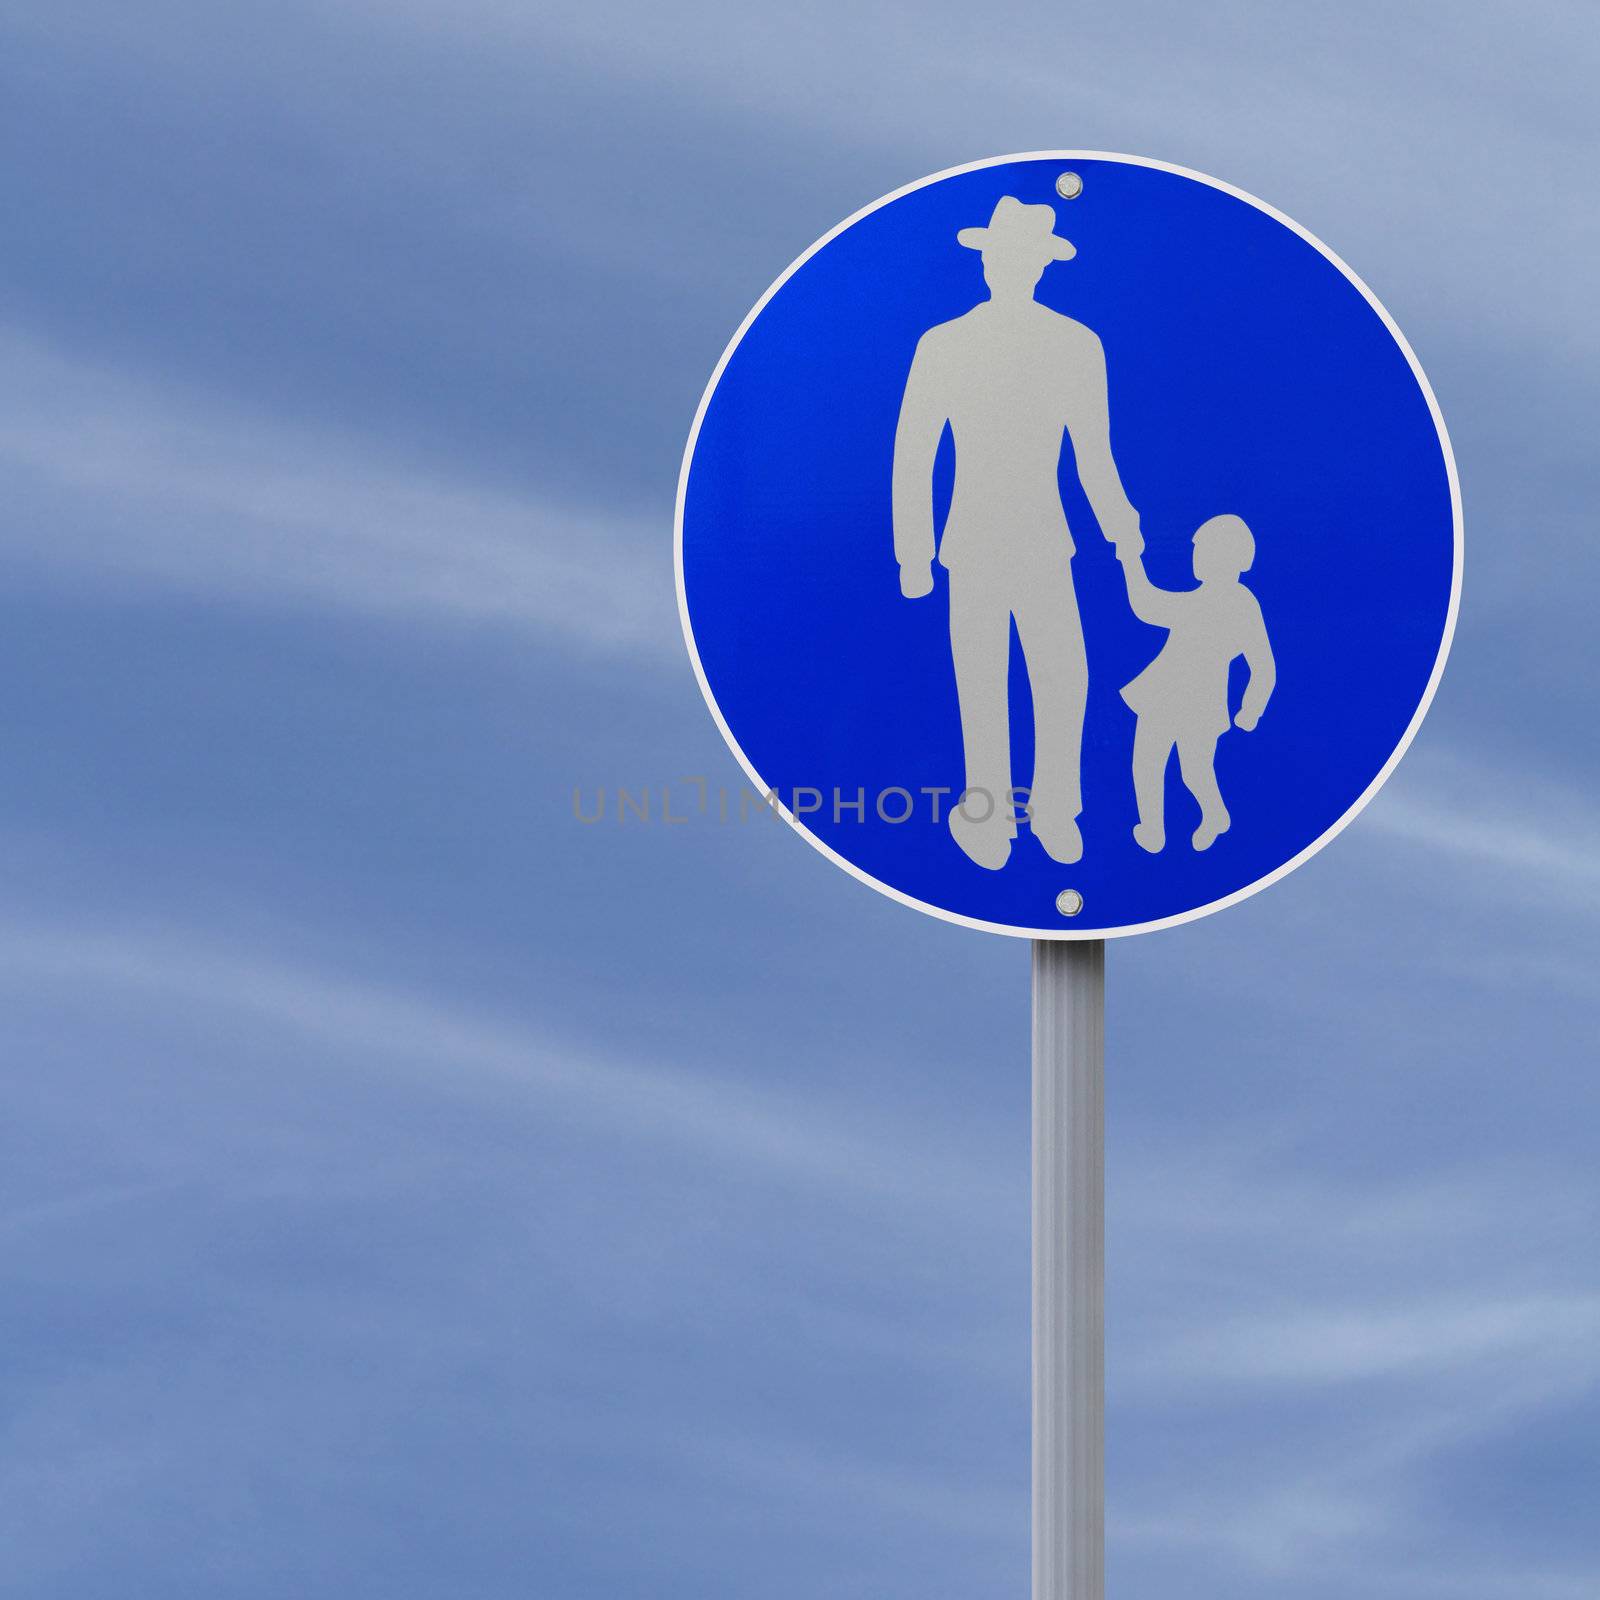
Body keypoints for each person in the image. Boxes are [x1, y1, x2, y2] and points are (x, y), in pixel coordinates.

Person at [892, 195, 1142, 870]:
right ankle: (988, 817)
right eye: (1002, 255)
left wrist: (1123, 528)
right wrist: (912, 556)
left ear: (1039, 267)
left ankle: (1057, 809)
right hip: (969, 542)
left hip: (1044, 539)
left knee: (1066, 674)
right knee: (981, 680)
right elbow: (914, 454)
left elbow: (1094, 454)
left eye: (1024, 257)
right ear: (985, 262)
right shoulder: (943, 345)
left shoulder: (1074, 344)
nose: (1011, 267)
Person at [1115, 513, 1275, 852]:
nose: (1195, 557)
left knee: (1188, 769)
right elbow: (1148, 606)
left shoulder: (1234, 603)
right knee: (1153, 763)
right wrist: (1129, 561)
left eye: (1201, 551)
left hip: (1192, 700)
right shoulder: (1210, 600)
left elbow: (1263, 666)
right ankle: (1154, 830)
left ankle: (1212, 815)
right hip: (1170, 697)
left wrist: (1252, 709)